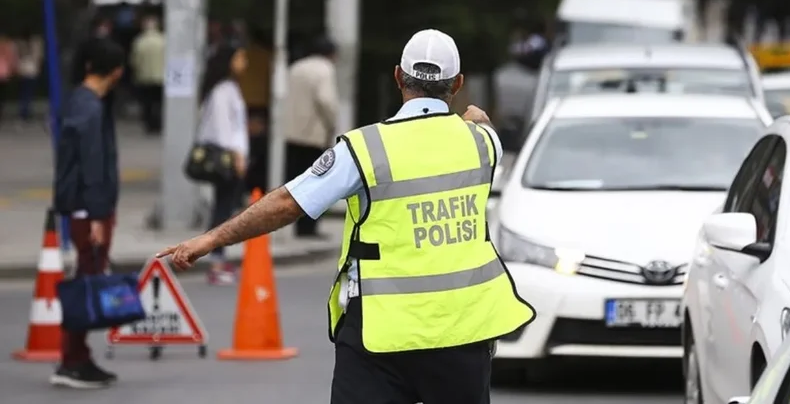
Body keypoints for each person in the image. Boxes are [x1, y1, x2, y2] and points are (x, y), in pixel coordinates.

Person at [158, 29, 536, 404]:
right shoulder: (483, 143)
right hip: (463, 332)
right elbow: (484, 126)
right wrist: (477, 119)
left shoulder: (364, 149)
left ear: (398, 78)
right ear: (457, 84)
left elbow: (288, 203)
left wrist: (209, 240)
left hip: (380, 333)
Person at [51, 38, 125, 389]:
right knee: (86, 282)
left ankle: (78, 357)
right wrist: (98, 216)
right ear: (116, 71)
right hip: (89, 210)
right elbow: (92, 166)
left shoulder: (80, 101)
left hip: (83, 207)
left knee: (86, 277)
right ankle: (73, 360)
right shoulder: (91, 108)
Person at [195, 46, 249, 285]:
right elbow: (223, 128)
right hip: (226, 158)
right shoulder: (222, 90)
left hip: (232, 156)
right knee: (222, 209)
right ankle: (216, 261)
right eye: (240, 57)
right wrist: (237, 156)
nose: (244, 62)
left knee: (225, 207)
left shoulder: (229, 88)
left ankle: (219, 258)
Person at [284, 35, 338, 238]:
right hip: (313, 134)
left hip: (291, 133)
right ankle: (309, 228)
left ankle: (296, 225)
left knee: (296, 181)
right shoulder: (325, 70)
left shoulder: (296, 67)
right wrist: (332, 123)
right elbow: (326, 100)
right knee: (316, 182)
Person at [130, 16, 165, 135]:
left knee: (147, 103)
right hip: (161, 77)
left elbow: (135, 61)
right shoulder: (163, 40)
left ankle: (149, 124)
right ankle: (159, 123)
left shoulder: (139, 42)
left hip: (144, 77)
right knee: (159, 102)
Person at [16, 30, 43, 123]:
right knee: (29, 92)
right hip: (32, 70)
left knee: (24, 92)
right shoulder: (35, 44)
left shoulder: (20, 45)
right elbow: (39, 57)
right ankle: (26, 111)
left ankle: (24, 112)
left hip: (23, 70)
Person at [0, 34, 17, 126]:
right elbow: (11, 60)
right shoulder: (7, 48)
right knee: (2, 95)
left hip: (4, 74)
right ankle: (1, 112)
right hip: (4, 74)